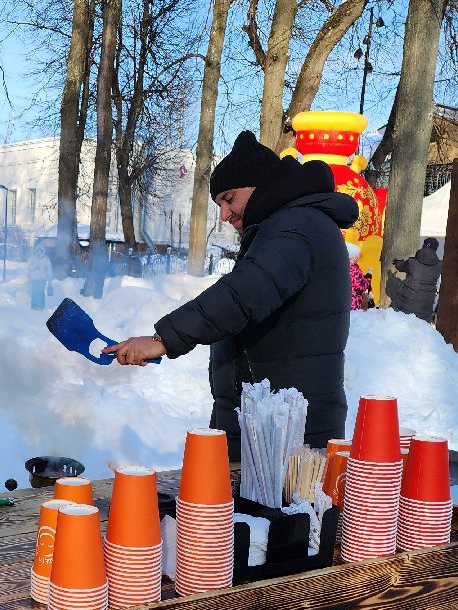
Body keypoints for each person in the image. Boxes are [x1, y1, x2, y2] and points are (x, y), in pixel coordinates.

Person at [104, 130, 358, 456]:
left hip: (286, 434)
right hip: (268, 421)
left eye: (229, 198)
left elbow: (241, 296)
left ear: (259, 185)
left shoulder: (296, 227)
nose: (223, 214)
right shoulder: (285, 226)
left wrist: (162, 340)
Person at [390, 237, 442, 322]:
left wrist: (397, 262)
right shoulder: (439, 266)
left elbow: (400, 266)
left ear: (424, 246)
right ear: (435, 249)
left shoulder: (412, 262)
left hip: (406, 304)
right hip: (426, 307)